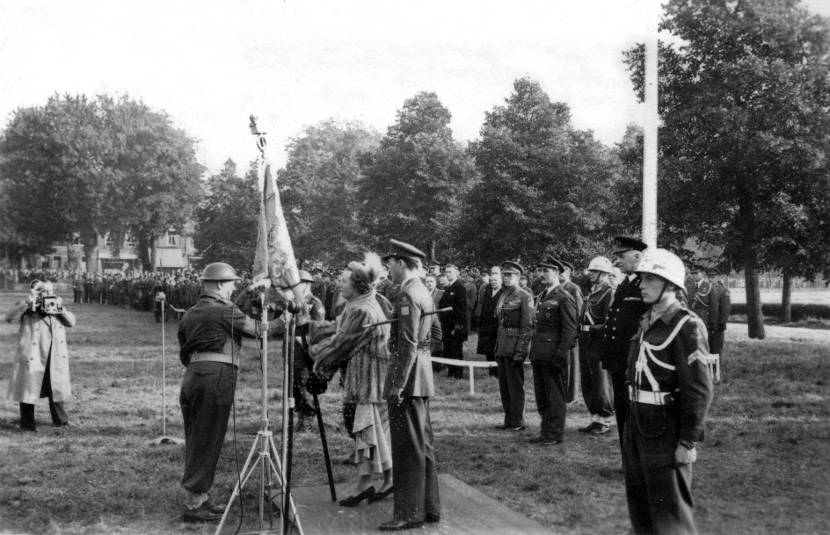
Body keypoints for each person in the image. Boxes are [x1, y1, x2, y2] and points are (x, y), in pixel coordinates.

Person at [624, 248, 713, 535]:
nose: (642, 285)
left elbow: (698, 389)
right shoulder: (647, 320)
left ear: (670, 284)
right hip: (637, 423)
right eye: (642, 279)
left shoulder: (687, 325)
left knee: (670, 515)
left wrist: (688, 442)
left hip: (666, 426)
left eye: (650, 279)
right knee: (641, 509)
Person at [176, 262, 272, 523]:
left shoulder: (190, 313)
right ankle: (194, 504)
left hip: (193, 376)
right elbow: (260, 331)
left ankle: (199, 496)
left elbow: (184, 351)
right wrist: (286, 319)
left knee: (197, 437)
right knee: (208, 438)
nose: (232, 289)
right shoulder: (224, 311)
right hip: (215, 377)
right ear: (219, 284)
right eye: (230, 284)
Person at [310, 253, 393, 506]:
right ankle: (387, 480)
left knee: (367, 430)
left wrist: (314, 355)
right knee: (379, 431)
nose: (339, 285)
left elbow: (341, 344)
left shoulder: (362, 310)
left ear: (357, 285)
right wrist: (312, 327)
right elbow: (338, 327)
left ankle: (365, 485)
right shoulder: (361, 303)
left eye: (344, 281)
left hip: (369, 381)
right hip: (374, 378)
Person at [379, 239, 440, 531]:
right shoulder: (423, 291)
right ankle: (429, 507)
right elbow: (432, 335)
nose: (388, 269)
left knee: (407, 448)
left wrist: (396, 384)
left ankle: (409, 513)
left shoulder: (407, 295)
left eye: (390, 264)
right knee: (423, 444)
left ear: (402, 263)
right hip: (421, 373)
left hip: (409, 376)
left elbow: (406, 345)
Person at [5, 280, 76, 431]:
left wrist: (60, 308)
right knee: (28, 389)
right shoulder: (28, 306)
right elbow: (10, 317)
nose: (47, 295)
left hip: (53, 354)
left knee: (55, 388)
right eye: (43, 292)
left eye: (50, 292)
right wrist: (27, 303)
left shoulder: (55, 306)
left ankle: (61, 421)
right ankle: (28, 424)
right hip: (33, 355)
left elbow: (71, 322)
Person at [603, 236, 649, 456]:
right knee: (622, 410)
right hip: (618, 360)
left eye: (621, 256)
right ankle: (628, 458)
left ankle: (635, 458)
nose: (617, 262)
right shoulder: (626, 284)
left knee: (633, 412)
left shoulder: (647, 284)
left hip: (635, 361)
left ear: (637, 256)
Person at [528, 258, 577, 445]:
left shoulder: (564, 297)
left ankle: (555, 434)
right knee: (542, 396)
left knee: (555, 396)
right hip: (539, 353)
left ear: (556, 273)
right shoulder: (542, 295)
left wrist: (561, 354)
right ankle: (545, 431)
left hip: (554, 355)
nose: (542, 274)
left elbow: (570, 330)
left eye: (546, 271)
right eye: (540, 270)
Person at [493, 261, 534, 431]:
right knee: (504, 386)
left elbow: (527, 326)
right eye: (505, 275)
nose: (507, 278)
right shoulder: (503, 295)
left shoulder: (525, 296)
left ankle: (517, 421)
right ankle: (509, 419)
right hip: (502, 345)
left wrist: (521, 351)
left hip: (514, 346)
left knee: (515, 386)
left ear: (518, 277)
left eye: (510, 275)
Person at [578, 256, 615, 435]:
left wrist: (593, 329)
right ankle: (595, 417)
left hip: (598, 341)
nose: (590, 274)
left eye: (594, 271)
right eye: (591, 271)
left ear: (603, 273)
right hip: (585, 340)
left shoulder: (609, 292)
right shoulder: (593, 291)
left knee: (601, 381)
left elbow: (611, 322)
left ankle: (605, 419)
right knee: (588, 379)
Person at [559, 260, 584, 403]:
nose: (560, 274)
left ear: (568, 273)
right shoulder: (558, 288)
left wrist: (575, 333)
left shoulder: (573, 288)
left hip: (572, 333)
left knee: (572, 366)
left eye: (563, 271)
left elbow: (579, 312)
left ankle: (572, 396)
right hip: (560, 332)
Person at [438, 264, 468, 379]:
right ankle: (451, 372)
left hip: (455, 326)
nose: (447, 274)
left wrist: (458, 326)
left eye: (450, 272)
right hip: (446, 325)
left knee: (456, 350)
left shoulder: (460, 287)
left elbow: (462, 309)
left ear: (456, 273)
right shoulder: (448, 287)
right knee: (448, 349)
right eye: (446, 272)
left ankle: (457, 374)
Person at [475, 265, 503, 377]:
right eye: (491, 280)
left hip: (497, 325)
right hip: (486, 324)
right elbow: (481, 305)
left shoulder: (504, 291)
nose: (493, 282)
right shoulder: (486, 290)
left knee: (497, 349)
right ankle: (491, 371)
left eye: (495, 280)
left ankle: (498, 372)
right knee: (488, 350)